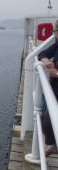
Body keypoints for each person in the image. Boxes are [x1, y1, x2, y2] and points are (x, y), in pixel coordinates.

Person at [38, 19, 58, 157]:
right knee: (45, 118)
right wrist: (46, 61)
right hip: (55, 90)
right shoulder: (57, 45)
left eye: (54, 31)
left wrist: (56, 73)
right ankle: (52, 143)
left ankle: (52, 144)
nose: (53, 34)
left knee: (46, 118)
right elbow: (41, 54)